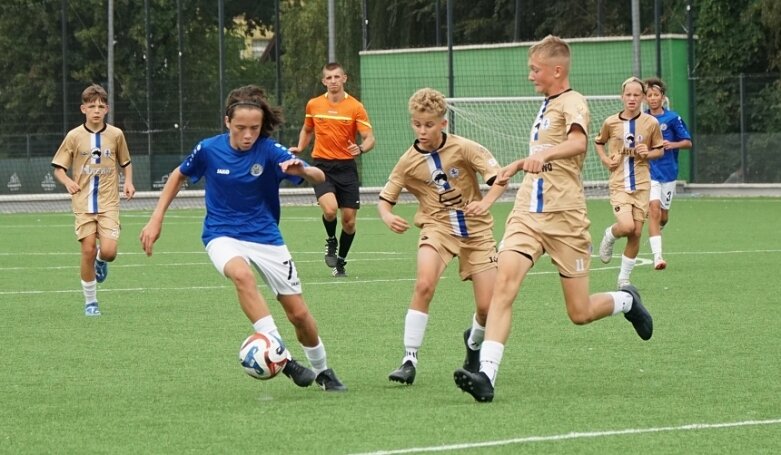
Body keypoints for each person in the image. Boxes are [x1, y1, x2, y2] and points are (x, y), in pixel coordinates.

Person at [453, 36, 653, 403]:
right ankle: (486, 376)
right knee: (503, 288)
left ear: (556, 70)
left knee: (579, 312)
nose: (530, 76)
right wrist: (498, 190)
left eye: (535, 69)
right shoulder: (545, 106)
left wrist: (543, 157)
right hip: (528, 214)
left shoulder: (573, 102)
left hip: (566, 220)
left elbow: (578, 144)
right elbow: (534, 162)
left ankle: (626, 301)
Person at [139, 85, 347, 392]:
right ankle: (283, 357)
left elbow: (318, 176)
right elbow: (178, 175)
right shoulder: (209, 149)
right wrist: (156, 218)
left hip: (265, 237)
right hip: (221, 233)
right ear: (227, 123)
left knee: (299, 315)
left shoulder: (269, 150)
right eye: (241, 128)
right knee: (241, 275)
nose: (248, 134)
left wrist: (301, 170)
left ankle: (323, 370)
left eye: (254, 128)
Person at [379, 88, 507, 385]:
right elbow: (385, 199)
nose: (422, 131)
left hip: (476, 232)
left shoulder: (464, 148)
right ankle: (408, 360)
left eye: (429, 125)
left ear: (443, 124)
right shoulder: (407, 161)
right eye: (416, 124)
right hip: (437, 228)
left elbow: (499, 178)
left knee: (488, 308)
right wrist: (387, 216)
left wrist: (485, 202)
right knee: (424, 283)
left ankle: (473, 344)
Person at [51, 84, 135, 316]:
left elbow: (126, 163)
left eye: (100, 106)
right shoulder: (74, 136)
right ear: (83, 109)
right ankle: (91, 302)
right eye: (91, 106)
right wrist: (68, 182)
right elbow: (58, 168)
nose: (96, 110)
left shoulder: (116, 135)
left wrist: (128, 182)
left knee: (109, 252)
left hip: (109, 203)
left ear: (106, 109)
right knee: (87, 249)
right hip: (83, 203)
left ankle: (101, 260)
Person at [289, 62, 375, 278]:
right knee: (329, 210)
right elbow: (307, 129)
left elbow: (369, 138)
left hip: (346, 168)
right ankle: (330, 241)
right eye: (329, 78)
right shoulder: (314, 105)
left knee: (349, 221)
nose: (333, 81)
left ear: (344, 78)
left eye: (337, 77)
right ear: (324, 81)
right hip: (321, 166)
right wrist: (300, 147)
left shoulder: (355, 107)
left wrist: (361, 148)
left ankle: (341, 263)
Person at [596, 77, 665, 288]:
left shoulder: (651, 123)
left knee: (636, 232)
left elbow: (660, 150)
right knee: (626, 226)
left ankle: (624, 278)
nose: (632, 99)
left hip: (642, 185)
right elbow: (599, 142)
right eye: (628, 95)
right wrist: (607, 160)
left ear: (643, 97)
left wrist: (649, 153)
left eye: (636, 95)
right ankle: (609, 235)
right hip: (619, 183)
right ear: (622, 96)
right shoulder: (611, 122)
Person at [643, 77, 693, 270]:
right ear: (646, 99)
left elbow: (688, 142)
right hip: (649, 171)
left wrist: (672, 144)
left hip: (669, 172)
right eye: (649, 95)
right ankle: (658, 257)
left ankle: (658, 229)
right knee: (653, 210)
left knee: (663, 216)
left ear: (663, 97)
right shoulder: (643, 120)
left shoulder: (673, 118)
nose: (653, 98)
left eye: (656, 95)